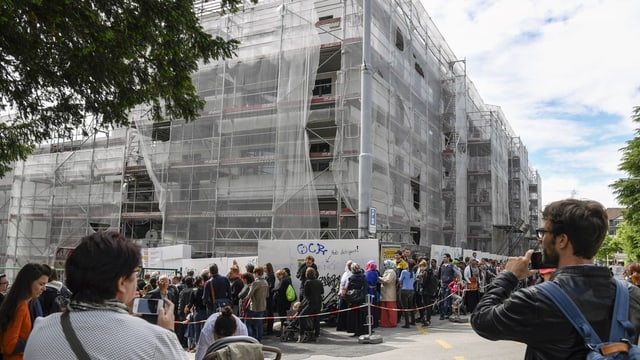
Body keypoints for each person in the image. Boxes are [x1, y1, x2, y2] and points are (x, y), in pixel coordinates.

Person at [471, 198, 640, 359]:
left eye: (543, 233)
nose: (541, 240)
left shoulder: (536, 299)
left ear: (562, 240)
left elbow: (482, 320)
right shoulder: (632, 295)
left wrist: (508, 276)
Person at [24, 231, 188, 359]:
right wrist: (169, 334)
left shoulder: (40, 330)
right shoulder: (155, 340)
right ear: (121, 283)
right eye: (135, 273)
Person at [0, 263, 48, 360]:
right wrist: (36, 339)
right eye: (41, 284)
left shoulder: (21, 304)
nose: (44, 288)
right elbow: (10, 346)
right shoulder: (20, 307)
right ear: (28, 283)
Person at [245, 267, 269, 341]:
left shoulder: (255, 283)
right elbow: (267, 295)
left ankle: (250, 339)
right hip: (262, 305)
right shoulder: (265, 282)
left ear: (256, 273)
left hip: (254, 306)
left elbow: (249, 295)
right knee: (259, 324)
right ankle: (259, 339)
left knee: (248, 323)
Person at [300, 267, 323, 342]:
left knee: (301, 316)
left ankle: (302, 334)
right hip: (318, 303)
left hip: (311, 303)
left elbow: (306, 294)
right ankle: (317, 335)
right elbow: (322, 292)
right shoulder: (319, 282)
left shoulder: (307, 282)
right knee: (316, 319)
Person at [345, 263, 367, 337]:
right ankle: (362, 330)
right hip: (361, 298)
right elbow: (366, 288)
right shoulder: (363, 277)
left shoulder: (352, 278)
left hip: (353, 299)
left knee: (354, 315)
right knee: (361, 315)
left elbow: (348, 288)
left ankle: (355, 330)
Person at [378, 259, 397, 328]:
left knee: (390, 309)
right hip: (385, 293)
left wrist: (379, 278)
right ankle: (385, 322)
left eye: (385, 264)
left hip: (390, 293)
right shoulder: (387, 271)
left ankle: (391, 322)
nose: (384, 266)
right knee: (384, 309)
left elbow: (387, 280)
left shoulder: (391, 272)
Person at [398, 259, 416, 328]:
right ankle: (413, 321)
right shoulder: (413, 273)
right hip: (411, 290)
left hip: (404, 290)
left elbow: (400, 280)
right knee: (411, 306)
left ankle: (407, 323)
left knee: (405, 307)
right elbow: (413, 281)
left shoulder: (404, 272)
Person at [336, 260, 353, 331]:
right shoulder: (346, 273)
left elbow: (347, 284)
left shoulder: (350, 274)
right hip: (342, 294)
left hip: (346, 295)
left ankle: (344, 326)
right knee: (342, 311)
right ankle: (342, 326)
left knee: (345, 311)